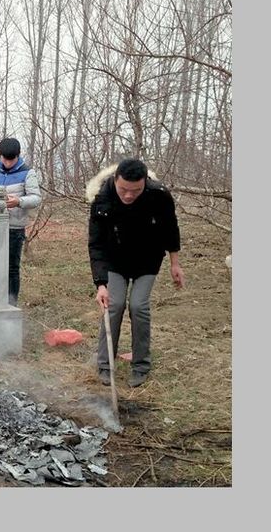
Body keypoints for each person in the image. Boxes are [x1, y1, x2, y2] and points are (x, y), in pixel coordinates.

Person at [87, 158, 185, 388]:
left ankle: (141, 365)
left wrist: (175, 264)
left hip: (147, 260)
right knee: (114, 305)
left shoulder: (158, 194)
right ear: (115, 180)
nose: (129, 195)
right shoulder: (102, 198)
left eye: (136, 190)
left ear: (145, 183)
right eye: (124, 189)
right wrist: (101, 284)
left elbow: (170, 228)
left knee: (138, 306)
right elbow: (96, 244)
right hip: (114, 260)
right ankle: (105, 365)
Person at [0, 138, 41, 306]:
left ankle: (11, 304)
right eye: (4, 158)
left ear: (18, 156)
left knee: (11, 268)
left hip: (15, 228)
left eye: (11, 159)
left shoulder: (27, 172)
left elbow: (36, 198)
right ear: (0, 155)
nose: (8, 163)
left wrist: (19, 201)